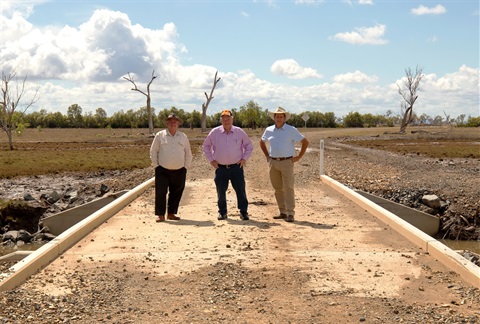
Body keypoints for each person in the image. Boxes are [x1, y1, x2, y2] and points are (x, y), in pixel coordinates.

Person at [260, 106, 309, 223]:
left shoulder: (291, 129)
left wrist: (298, 157)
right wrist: (267, 156)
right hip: (273, 162)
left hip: (287, 162)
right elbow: (262, 142)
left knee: (288, 188)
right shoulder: (269, 130)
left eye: (281, 116)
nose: (279, 118)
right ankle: (282, 212)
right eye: (277, 116)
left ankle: (290, 213)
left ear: (284, 118)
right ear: (274, 118)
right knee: (277, 188)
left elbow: (305, 142)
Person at [203, 109, 254, 221]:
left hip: (237, 167)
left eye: (228, 119)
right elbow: (206, 146)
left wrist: (244, 158)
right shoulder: (215, 132)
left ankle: (243, 212)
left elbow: (249, 145)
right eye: (224, 119)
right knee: (221, 191)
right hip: (220, 168)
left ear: (232, 119)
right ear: (221, 120)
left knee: (240, 190)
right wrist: (211, 160)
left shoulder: (239, 132)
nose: (226, 121)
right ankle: (222, 212)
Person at [150, 113, 192, 222]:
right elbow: (153, 151)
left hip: (179, 170)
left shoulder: (183, 137)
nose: (173, 124)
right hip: (162, 170)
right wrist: (156, 166)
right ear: (167, 123)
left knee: (176, 192)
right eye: (171, 121)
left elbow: (188, 152)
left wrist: (185, 167)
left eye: (175, 122)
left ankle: (171, 213)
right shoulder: (160, 135)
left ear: (178, 124)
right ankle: (160, 215)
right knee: (160, 192)